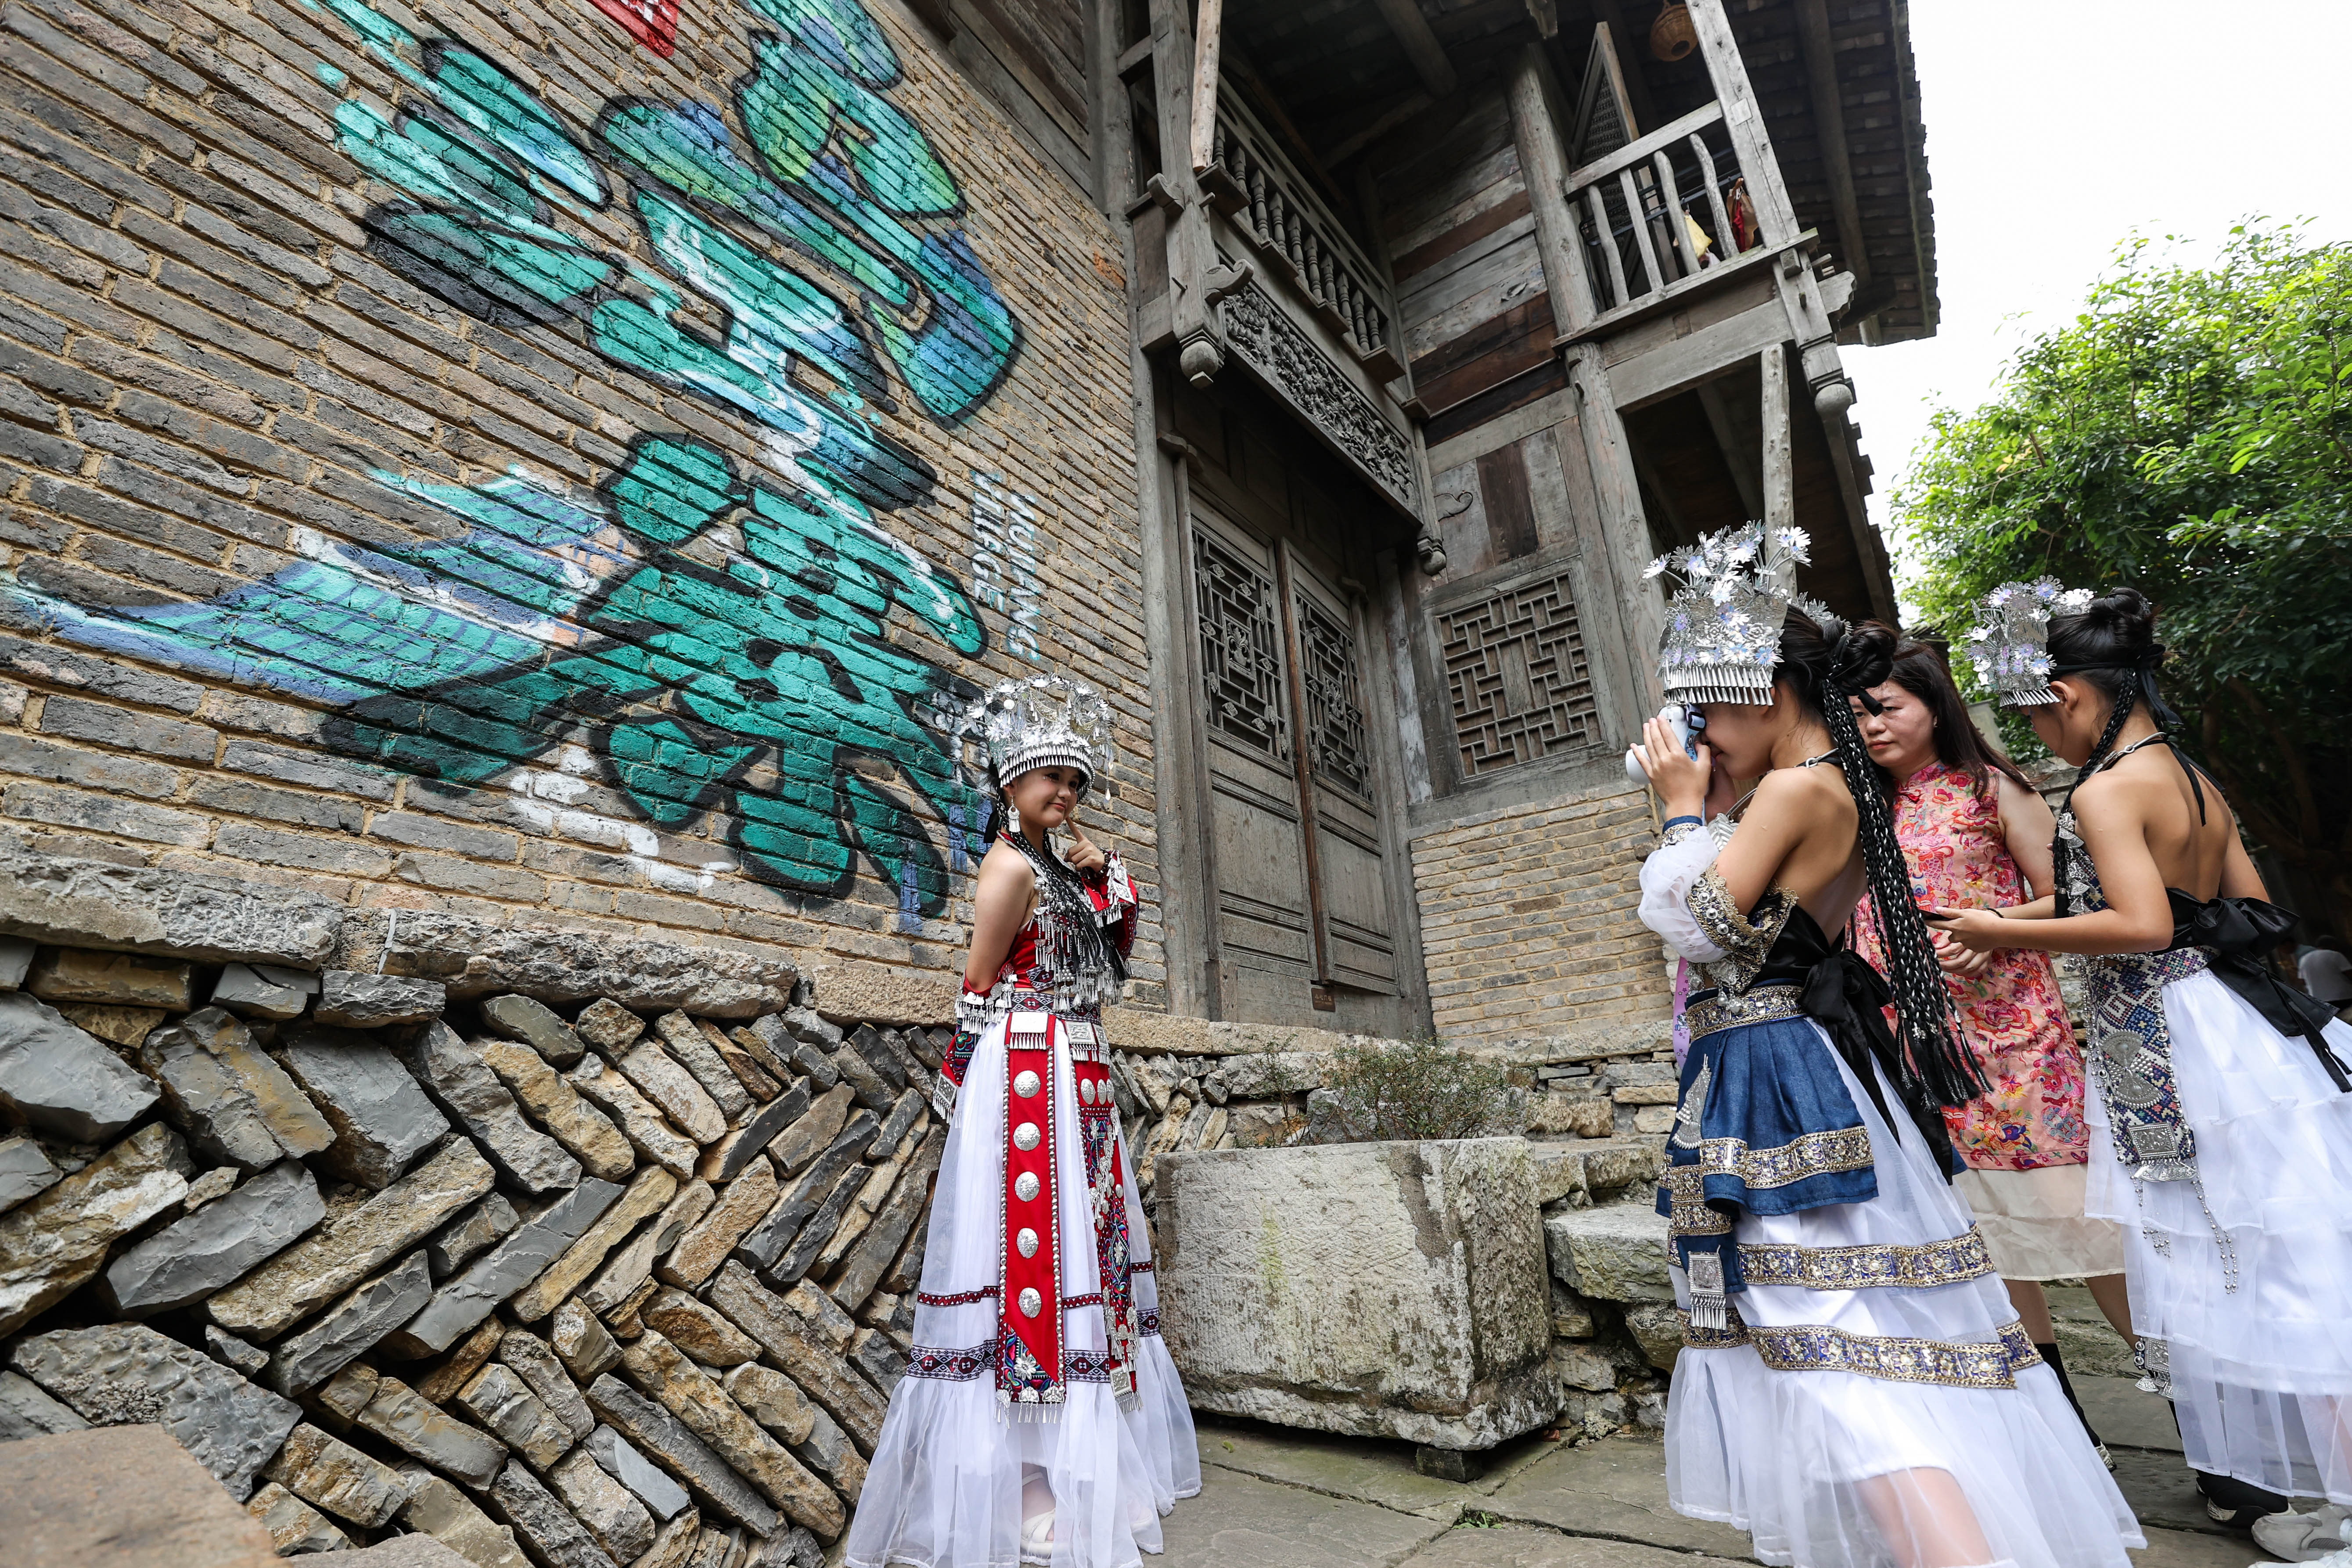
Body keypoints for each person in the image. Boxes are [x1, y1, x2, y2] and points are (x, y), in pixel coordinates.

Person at [1634, 525, 2138, 1568]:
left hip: (1776, 1076)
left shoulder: (1793, 789)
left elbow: (1707, 932)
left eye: (1710, 711)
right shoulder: (1843, 788)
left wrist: (1683, 815)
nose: (1701, 737)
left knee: (1832, 1351)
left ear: (1767, 689)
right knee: (1866, 1343)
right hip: (1812, 1067)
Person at [1932, 583, 2352, 1549]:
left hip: (2174, 1042)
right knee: (2291, 1257)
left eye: (2040, 714)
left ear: (2073, 695)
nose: (2044, 734)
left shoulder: (2106, 787)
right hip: (2247, 1030)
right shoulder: (2193, 779)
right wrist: (2014, 924)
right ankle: (2328, 1490)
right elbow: (2237, 904)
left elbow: (2143, 922)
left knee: (2250, 1266)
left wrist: (2003, 926)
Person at [845, 675, 1199, 1568]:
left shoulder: (1059, 866)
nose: (1065, 794)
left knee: (1093, 1256)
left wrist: (1102, 874)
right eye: (1050, 779)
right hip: (1030, 1072)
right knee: (1030, 1268)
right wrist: (961, 1087)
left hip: (1080, 1070)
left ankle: (1082, 1464)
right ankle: (1029, 1484)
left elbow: (1111, 964)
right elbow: (977, 983)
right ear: (1011, 784)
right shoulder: (1007, 867)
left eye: (1073, 781)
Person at [1848, 641, 2132, 1456]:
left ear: (1933, 705)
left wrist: (1999, 927)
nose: (1870, 726)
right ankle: (2062, 1430)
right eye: (1859, 711)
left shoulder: (1987, 787)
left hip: (2018, 1049)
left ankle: (2204, 1421)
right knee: (1987, 1240)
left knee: (2082, 1227)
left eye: (1885, 707)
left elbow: (2076, 897)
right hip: (1917, 1055)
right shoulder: (1859, 808)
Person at [2298, 938, 2352, 1023]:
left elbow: (2302, 981)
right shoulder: (2335, 955)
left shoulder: (2304, 959)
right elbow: (2350, 974)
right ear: (2333, 946)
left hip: (2319, 1000)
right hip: (2344, 997)